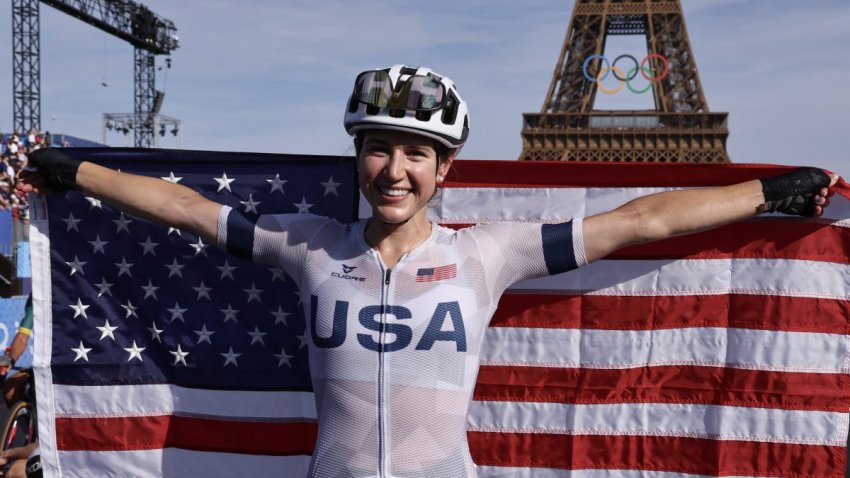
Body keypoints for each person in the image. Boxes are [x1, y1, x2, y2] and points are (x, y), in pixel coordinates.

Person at [17, 64, 836, 478]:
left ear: (445, 171)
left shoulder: (486, 253)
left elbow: (640, 221)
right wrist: (73, 173)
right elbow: (187, 208)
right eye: (379, 148)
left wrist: (768, 192)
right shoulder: (308, 246)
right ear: (358, 158)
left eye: (417, 153)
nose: (395, 169)